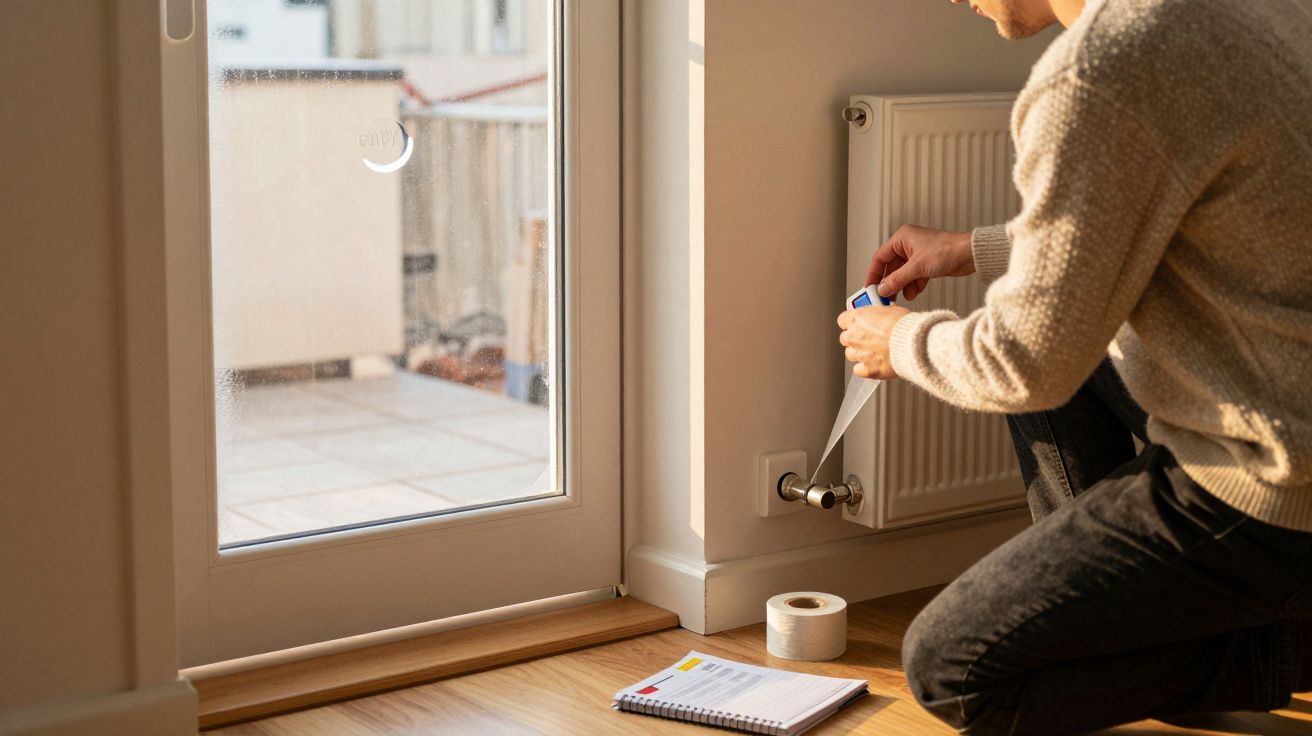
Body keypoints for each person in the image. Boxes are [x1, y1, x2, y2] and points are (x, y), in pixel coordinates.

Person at [835, 0, 1312, 732]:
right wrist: (974, 247)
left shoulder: (1100, 71)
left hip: (1278, 477)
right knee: (1075, 340)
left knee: (951, 666)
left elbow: (1026, 364)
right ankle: (1116, 614)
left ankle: (1277, 647)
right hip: (1284, 396)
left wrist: (899, 341)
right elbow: (1166, 222)